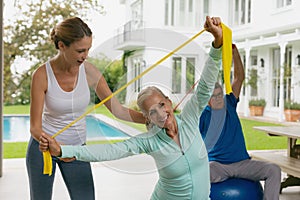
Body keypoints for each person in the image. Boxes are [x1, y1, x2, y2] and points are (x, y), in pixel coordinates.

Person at [39, 16, 223, 200]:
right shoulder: (150, 141)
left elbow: (205, 86)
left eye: (161, 104)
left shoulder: (189, 119)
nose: (161, 113)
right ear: (147, 118)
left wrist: (217, 44)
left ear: (169, 102)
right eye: (152, 112)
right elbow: (110, 151)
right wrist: (64, 151)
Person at [26, 17, 146, 200]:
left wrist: (150, 118)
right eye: (80, 50)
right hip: (43, 150)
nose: (86, 55)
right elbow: (35, 127)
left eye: (88, 49)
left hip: (76, 150)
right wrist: (49, 144)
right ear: (61, 46)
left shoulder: (89, 72)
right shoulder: (42, 75)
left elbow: (118, 110)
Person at [199, 45, 281, 200]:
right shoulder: (202, 115)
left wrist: (235, 54)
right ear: (206, 100)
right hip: (217, 166)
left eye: (219, 94)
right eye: (213, 96)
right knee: (197, 175)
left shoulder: (229, 103)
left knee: (274, 170)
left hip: (243, 163)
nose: (218, 98)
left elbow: (239, 78)